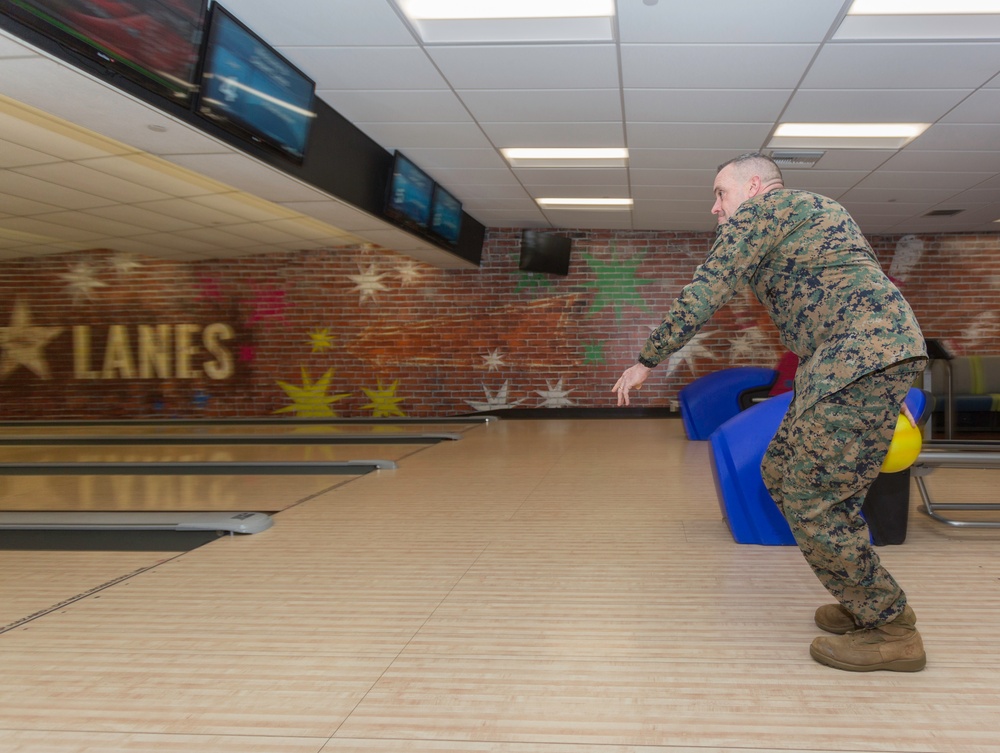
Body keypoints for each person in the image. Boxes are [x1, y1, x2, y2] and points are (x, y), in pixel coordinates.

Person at [613, 152, 928, 672]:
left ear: (755, 185)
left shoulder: (762, 213)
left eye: (721, 193)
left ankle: (890, 628)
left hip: (858, 357)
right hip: (850, 358)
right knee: (782, 471)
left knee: (811, 496)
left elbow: (707, 288)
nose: (716, 208)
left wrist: (648, 358)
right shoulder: (818, 209)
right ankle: (864, 603)